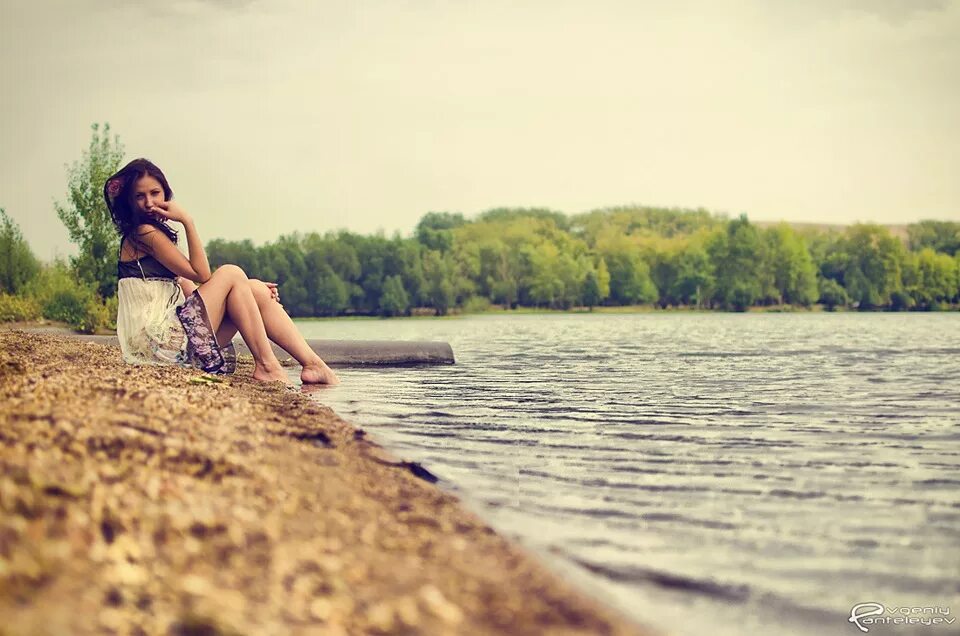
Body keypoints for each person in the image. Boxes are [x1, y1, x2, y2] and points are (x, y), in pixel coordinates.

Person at [105, 158, 339, 385]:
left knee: (253, 288)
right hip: (157, 347)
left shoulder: (156, 236)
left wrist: (249, 289)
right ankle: (268, 366)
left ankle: (313, 365)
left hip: (171, 342)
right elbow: (202, 274)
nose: (148, 202)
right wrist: (187, 220)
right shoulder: (143, 234)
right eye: (140, 196)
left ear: (165, 193)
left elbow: (193, 291)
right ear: (129, 201)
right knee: (231, 272)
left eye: (155, 193)